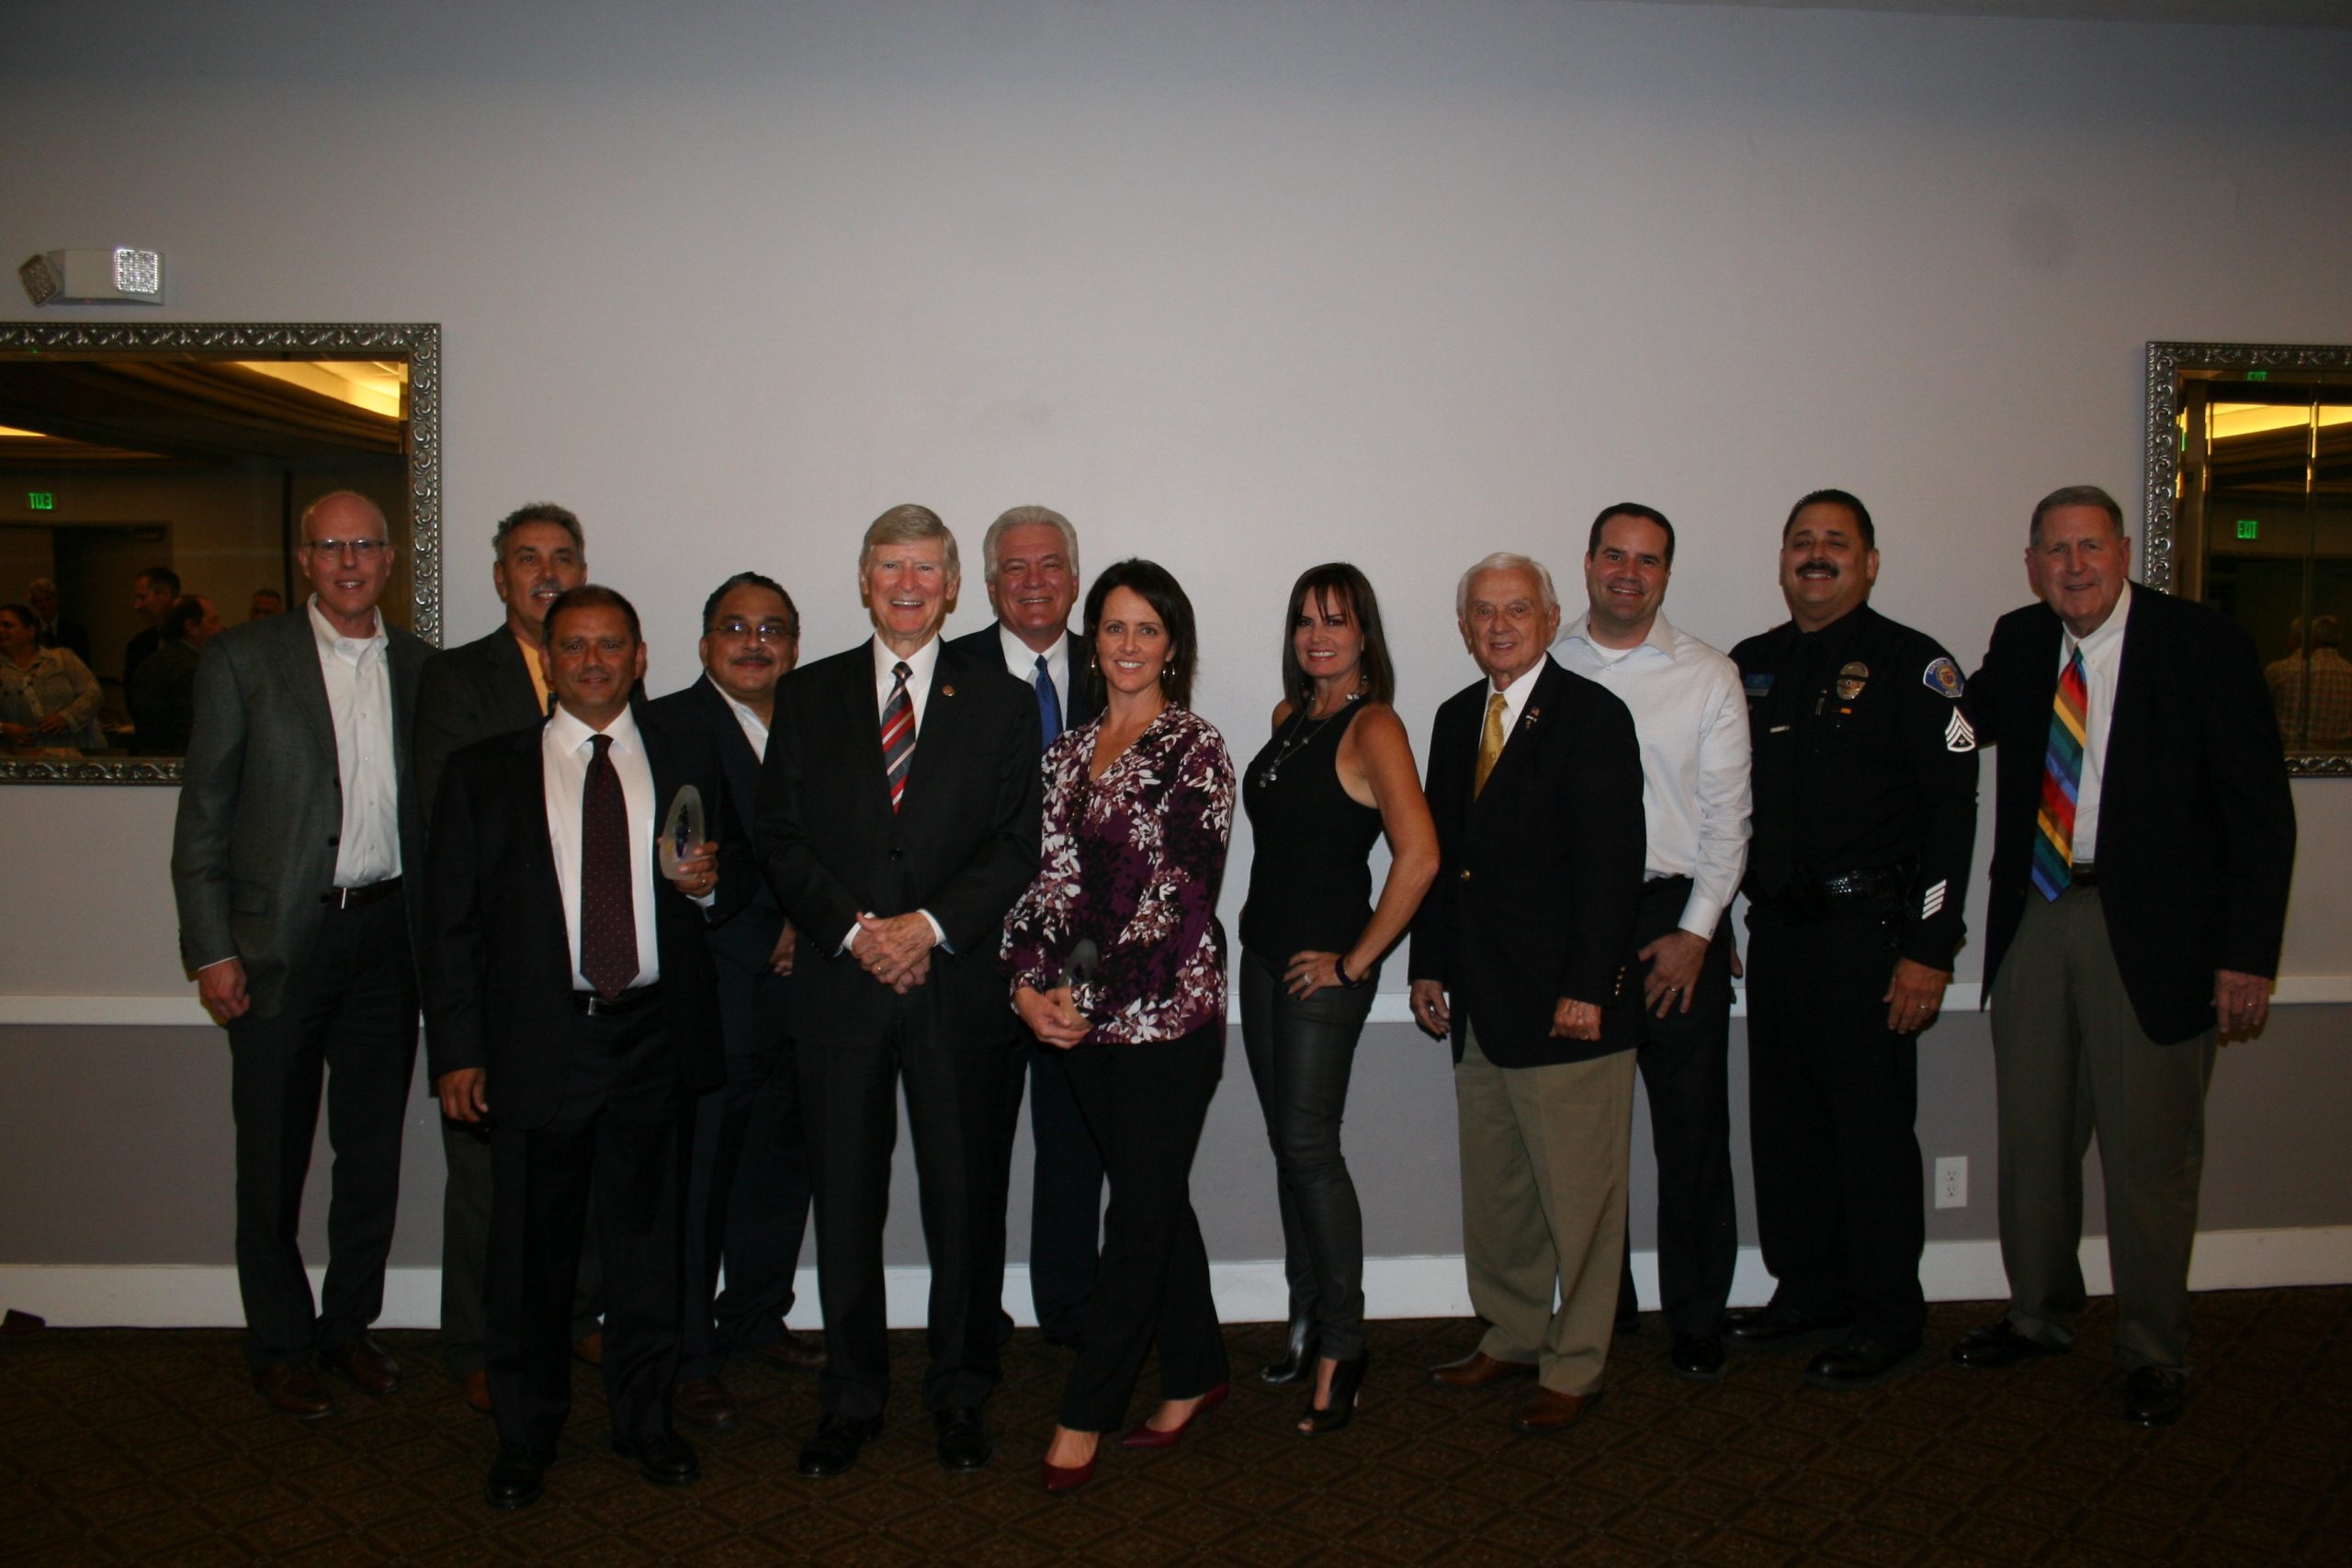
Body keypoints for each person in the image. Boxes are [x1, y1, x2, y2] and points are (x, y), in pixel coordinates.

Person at [1951, 485, 2295, 1426]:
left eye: (2090, 547)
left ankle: (2153, 1348)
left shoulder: (2202, 644)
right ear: (2032, 565)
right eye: (2056, 551)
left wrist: (2246, 955)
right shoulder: (2022, 640)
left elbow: (2260, 816)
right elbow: (1960, 727)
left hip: (2156, 932)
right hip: (2036, 912)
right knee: (2032, 1142)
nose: (2074, 567)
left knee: (2149, 1159)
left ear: (2124, 551)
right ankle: (2038, 1315)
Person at [424, 584, 748, 1509]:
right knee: (531, 1255)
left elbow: (734, 881)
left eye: (612, 645)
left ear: (640, 658)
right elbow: (449, 927)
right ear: (548, 662)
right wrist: (457, 1050)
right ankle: (525, 1435)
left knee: (649, 1251)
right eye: (574, 646)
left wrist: (705, 888)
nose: (594, 661)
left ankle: (645, 1422)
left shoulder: (688, 755)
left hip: (655, 1035)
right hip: (541, 1041)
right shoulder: (485, 772)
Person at [755, 504, 1042, 1479]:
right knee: (845, 1204)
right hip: (841, 991)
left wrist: (925, 928)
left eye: (926, 569)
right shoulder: (808, 695)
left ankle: (960, 1393)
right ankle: (851, 1396)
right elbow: (780, 836)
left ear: (953, 586)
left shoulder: (1002, 702)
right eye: (890, 567)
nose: (908, 585)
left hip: (956, 989)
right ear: (864, 580)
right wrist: (856, 934)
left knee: (965, 1202)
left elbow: (1016, 844)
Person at [169, 491, 430, 1418]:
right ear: (304, 560)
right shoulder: (243, 659)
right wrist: (211, 949)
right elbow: (203, 815)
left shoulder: (423, 668)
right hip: (276, 945)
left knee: (371, 1156)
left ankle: (347, 1327)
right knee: (273, 1158)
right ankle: (280, 1342)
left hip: (388, 939)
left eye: (365, 545)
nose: (349, 561)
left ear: (389, 559)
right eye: (330, 546)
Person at [1724, 490, 1978, 1391]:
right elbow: (1724, 807)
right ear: (1781, 560)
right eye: (1801, 540)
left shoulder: (1915, 666)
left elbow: (1952, 818)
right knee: (1787, 1126)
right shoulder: (1750, 666)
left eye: (1836, 541)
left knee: (1869, 1136)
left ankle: (1887, 1314)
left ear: (1869, 562)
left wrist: (1931, 947)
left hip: (1872, 940)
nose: (1816, 554)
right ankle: (1809, 1290)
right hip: (1779, 935)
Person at [1005, 558, 1238, 1493]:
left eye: (1147, 628)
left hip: (1167, 1021)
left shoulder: (1196, 748)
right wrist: (1027, 986)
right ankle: (1197, 1369)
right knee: (1157, 1196)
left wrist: (1087, 996)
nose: (1128, 644)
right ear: (1091, 641)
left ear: (1172, 643)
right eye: (1113, 627)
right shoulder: (1064, 754)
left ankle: (1085, 1412)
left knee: (1135, 1217)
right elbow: (1047, 886)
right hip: (1075, 1025)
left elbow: (1180, 899)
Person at [1409, 552, 1646, 1436]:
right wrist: (1428, 963)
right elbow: (1440, 858)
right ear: (1464, 628)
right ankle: (1511, 1331)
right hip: (1479, 1001)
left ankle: (1577, 1364)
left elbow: (1613, 864)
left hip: (1564, 1006)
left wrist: (1589, 986)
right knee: (1500, 1190)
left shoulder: (1592, 716)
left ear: (1551, 619)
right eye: (1484, 611)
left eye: (1517, 609)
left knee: (1581, 1201)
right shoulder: (1453, 717)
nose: (1500, 625)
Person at [1237, 562, 1436, 1430]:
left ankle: (1344, 1345)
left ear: (1364, 634)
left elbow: (1420, 855)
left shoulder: (1375, 724)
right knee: (1288, 1146)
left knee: (1311, 1148)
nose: (1319, 635)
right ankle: (1307, 1315)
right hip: (1261, 957)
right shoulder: (1290, 719)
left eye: (1337, 620)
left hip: (1324, 973)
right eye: (1306, 620)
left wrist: (1355, 964)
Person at [1554, 504, 1751, 1381]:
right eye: (1615, 555)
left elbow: (1728, 821)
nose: (1628, 573)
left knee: (1692, 1132)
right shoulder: (1546, 662)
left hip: (1674, 920)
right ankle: (1605, 1302)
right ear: (1588, 562)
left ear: (1666, 573)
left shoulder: (1708, 675)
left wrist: (1697, 933)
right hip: (1573, 927)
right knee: (1584, 1135)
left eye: (1648, 560)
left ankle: (1698, 1315)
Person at [412, 502, 599, 1414]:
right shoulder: (457, 680)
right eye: (529, 558)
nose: (547, 572)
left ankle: (574, 1318)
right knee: (487, 1176)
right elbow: (445, 846)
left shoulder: (606, 673)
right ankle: (479, 1341)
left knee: (581, 1162)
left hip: (592, 975)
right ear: (500, 578)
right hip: (496, 974)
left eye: (562, 557)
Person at [649, 571, 823, 1436]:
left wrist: (813, 926)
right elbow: (676, 854)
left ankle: (755, 1314)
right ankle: (687, 1354)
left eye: (773, 629)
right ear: (705, 641)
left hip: (808, 994)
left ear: (794, 644)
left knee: (779, 1169)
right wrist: (768, 930)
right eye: (735, 627)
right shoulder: (666, 726)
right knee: (699, 1184)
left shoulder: (816, 724)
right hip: (718, 991)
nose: (755, 643)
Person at [946, 504, 1106, 1349]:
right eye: (1015, 567)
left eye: (1050, 565)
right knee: (971, 1153)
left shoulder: (1118, 665)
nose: (1034, 581)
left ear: (1075, 580)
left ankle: (1069, 1309)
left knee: (1075, 1146)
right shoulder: (949, 674)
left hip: (1082, 956)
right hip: (976, 953)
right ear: (988, 584)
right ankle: (970, 1315)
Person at [0, 602, 106, 749]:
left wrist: (66, 718)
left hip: (71, 749)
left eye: (7, 625)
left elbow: (93, 693)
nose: (1, 630)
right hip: (20, 753)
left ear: (30, 631)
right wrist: (3, 728)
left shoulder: (61, 659)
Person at [129, 594, 222, 754]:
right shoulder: (192, 669)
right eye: (213, 621)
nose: (220, 629)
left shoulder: (150, 663)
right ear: (191, 626)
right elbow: (191, 732)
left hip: (149, 759)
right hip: (179, 762)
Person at [2266, 613, 2352, 750]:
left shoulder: (2284, 669)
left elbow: (2256, 708)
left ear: (2312, 638)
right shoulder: (2349, 672)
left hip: (2290, 755)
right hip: (2340, 757)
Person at [122, 564, 180, 689]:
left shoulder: (193, 639)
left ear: (165, 595)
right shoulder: (137, 646)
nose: (137, 606)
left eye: (142, 597)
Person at [27, 578, 92, 667]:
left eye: (48, 599)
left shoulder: (75, 630)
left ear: (56, 600)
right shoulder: (29, 631)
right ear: (35, 605)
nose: (46, 604)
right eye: (41, 601)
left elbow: (83, 664)